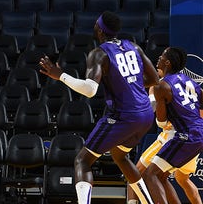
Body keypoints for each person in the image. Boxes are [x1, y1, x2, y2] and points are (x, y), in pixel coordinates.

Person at [39, 11, 160, 204]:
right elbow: (154, 79)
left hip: (124, 116)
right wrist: (130, 84)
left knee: (82, 161)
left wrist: (60, 75)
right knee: (120, 156)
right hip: (145, 115)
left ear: (100, 29)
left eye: (96, 23)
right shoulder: (134, 47)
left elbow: (89, 90)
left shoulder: (99, 53)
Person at [141, 47, 203, 204]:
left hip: (183, 136)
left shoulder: (161, 86)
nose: (158, 59)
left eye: (161, 56)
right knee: (167, 176)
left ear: (167, 62)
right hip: (197, 133)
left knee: (150, 175)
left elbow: (161, 123)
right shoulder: (193, 83)